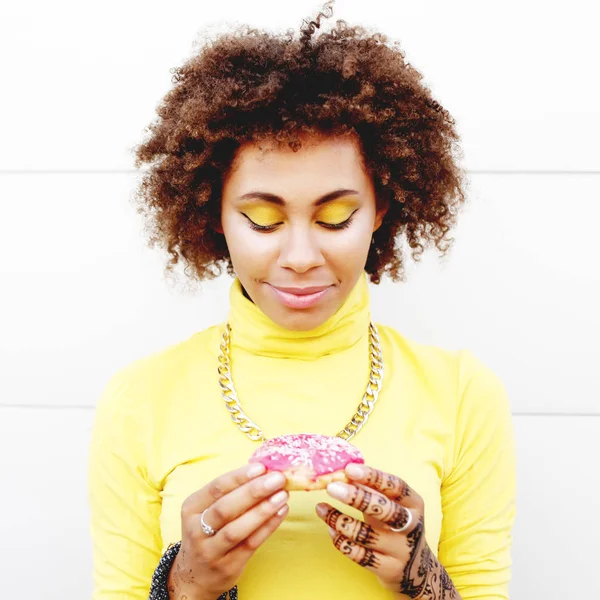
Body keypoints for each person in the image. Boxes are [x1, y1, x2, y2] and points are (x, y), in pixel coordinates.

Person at [87, 2, 516, 599]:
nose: (300, 256)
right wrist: (187, 586)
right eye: (262, 220)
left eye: (336, 216)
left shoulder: (463, 393)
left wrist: (421, 577)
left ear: (380, 209)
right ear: (214, 214)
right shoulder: (140, 399)